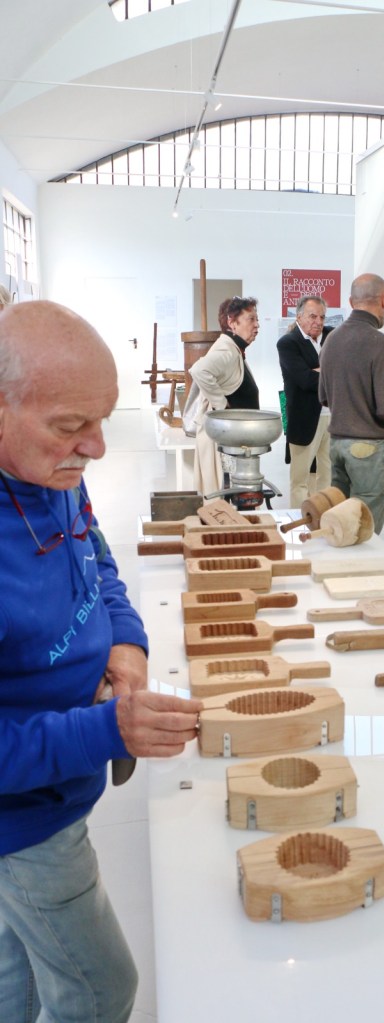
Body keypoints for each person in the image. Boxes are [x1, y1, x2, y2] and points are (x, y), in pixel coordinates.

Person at [0, 300, 203, 1023]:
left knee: (17, 970)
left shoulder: (54, 470)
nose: (96, 448)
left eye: (103, 420)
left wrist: (125, 639)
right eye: (69, 425)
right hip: (23, 820)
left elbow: (97, 558)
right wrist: (107, 731)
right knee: (99, 989)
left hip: (58, 788)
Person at [318, 273, 384, 533]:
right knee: (366, 528)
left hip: (337, 444)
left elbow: (324, 396)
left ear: (351, 301)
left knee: (340, 526)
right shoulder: (381, 343)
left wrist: (382, 385)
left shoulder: (332, 339)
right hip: (368, 448)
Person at [189, 296, 260, 497]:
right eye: (251, 319)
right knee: (225, 500)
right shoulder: (226, 349)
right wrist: (222, 407)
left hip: (233, 440)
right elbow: (199, 370)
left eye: (257, 319)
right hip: (224, 443)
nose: (257, 325)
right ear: (232, 322)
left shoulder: (235, 349)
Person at [277, 295, 332, 507]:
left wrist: (318, 371)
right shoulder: (288, 343)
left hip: (332, 417)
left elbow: (346, 368)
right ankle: (299, 520)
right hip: (303, 418)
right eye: (312, 316)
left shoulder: (331, 336)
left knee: (327, 476)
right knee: (300, 479)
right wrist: (331, 372)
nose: (318, 322)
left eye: (322, 317)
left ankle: (323, 517)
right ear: (299, 317)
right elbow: (306, 380)